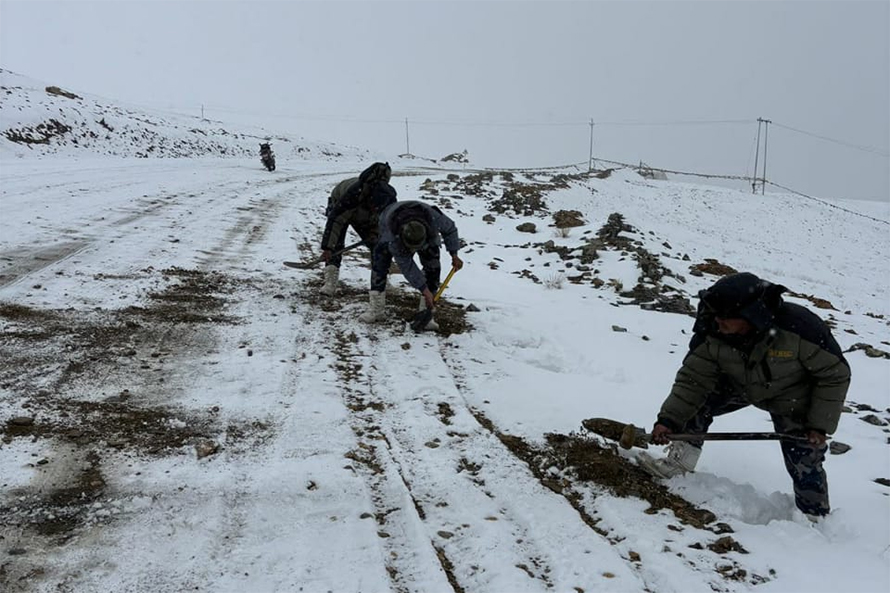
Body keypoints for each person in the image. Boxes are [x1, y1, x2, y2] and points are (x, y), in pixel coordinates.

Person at [642, 272, 850, 519]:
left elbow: (834, 375)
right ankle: (679, 465)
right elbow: (693, 379)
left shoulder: (799, 329)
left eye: (725, 317)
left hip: (792, 396)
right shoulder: (713, 329)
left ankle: (814, 516)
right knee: (699, 401)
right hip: (739, 385)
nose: (718, 321)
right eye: (716, 315)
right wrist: (668, 420)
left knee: (804, 455)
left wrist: (818, 425)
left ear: (751, 315)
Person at [359, 200, 463, 330]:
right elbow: (408, 268)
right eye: (411, 248)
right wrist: (424, 289)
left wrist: (454, 254)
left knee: (433, 267)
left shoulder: (434, 219)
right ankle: (376, 310)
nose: (413, 251)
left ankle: (427, 313)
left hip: (426, 233)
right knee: (380, 263)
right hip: (389, 224)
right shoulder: (392, 236)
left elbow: (450, 229)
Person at [319, 162, 397, 296]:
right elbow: (335, 221)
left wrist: (375, 233)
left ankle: (380, 280)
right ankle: (330, 281)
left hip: (364, 215)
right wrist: (327, 248)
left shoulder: (388, 197)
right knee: (336, 243)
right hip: (341, 204)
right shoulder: (353, 194)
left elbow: (386, 224)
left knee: (378, 246)